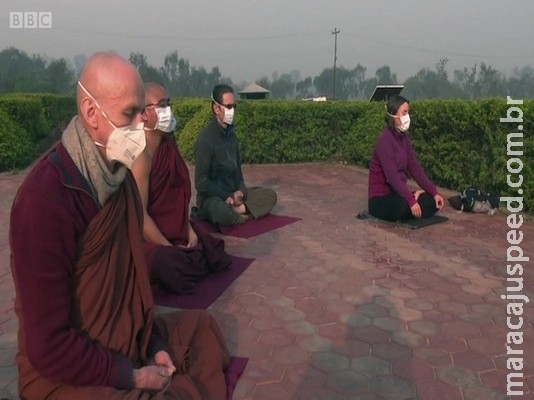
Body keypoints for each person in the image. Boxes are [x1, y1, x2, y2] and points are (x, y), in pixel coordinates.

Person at [9, 52, 230, 399]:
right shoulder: (45, 199)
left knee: (200, 328)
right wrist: (133, 376)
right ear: (91, 113)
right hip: (66, 370)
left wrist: (154, 343)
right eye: (130, 114)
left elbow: (133, 292)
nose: (141, 125)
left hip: (126, 337)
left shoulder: (120, 179)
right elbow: (48, 346)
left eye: (142, 112)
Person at [131, 82, 232, 295]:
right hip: (151, 238)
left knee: (211, 248)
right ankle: (182, 258)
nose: (167, 110)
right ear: (144, 114)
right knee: (165, 263)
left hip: (176, 231)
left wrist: (188, 231)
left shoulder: (169, 148)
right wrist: (167, 245)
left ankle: (188, 254)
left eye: (168, 103)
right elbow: (139, 217)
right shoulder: (140, 158)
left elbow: (179, 199)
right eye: (160, 105)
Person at [193, 83, 277, 226]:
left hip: (233, 194)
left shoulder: (232, 137)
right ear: (216, 108)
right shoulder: (206, 140)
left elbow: (238, 173)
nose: (232, 111)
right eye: (229, 107)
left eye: (234, 107)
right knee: (218, 210)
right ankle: (238, 213)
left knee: (270, 196)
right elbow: (201, 182)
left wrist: (240, 192)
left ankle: (237, 211)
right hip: (214, 198)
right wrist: (226, 196)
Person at [368, 95, 444, 221]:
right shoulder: (385, 141)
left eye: (408, 113)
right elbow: (392, 178)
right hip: (381, 198)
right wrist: (411, 199)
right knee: (403, 207)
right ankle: (413, 202)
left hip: (399, 194)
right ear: (394, 114)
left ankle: (414, 202)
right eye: (404, 113)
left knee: (432, 201)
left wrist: (434, 192)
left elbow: (415, 169)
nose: (407, 116)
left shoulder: (404, 139)